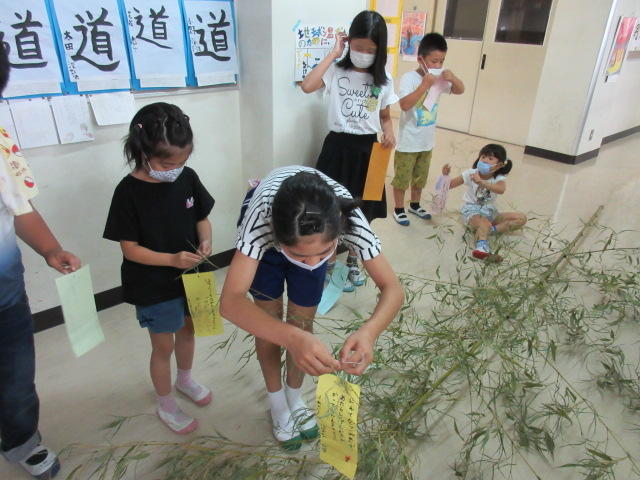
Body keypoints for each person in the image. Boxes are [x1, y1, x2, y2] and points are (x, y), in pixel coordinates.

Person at [219, 166, 403, 450]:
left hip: (309, 232)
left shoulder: (348, 217)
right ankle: (277, 403)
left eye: (325, 252)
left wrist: (369, 333)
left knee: (303, 324)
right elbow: (231, 302)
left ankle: (294, 397)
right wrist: (291, 338)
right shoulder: (260, 222)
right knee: (269, 324)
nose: (313, 264)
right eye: (300, 256)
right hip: (269, 246)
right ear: (277, 237)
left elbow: (393, 288)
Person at [103, 103, 214, 434]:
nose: (175, 169)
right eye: (168, 164)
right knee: (163, 346)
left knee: (189, 331)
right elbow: (130, 249)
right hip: (153, 283)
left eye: (182, 161)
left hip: (191, 276)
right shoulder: (128, 192)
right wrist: (171, 260)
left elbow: (202, 218)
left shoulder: (187, 178)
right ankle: (165, 404)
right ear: (143, 152)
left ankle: (185, 380)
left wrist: (206, 240)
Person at [0, 44, 80, 479]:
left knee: (15, 370)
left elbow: (18, 206)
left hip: (5, 288)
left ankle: (21, 440)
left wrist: (50, 248)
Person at [301, 10, 399, 292]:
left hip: (370, 151)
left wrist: (390, 131)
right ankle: (331, 265)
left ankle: (354, 261)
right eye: (358, 47)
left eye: (370, 50)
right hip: (337, 147)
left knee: (364, 211)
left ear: (380, 50)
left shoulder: (384, 79)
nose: (363, 54)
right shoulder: (337, 70)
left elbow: (384, 116)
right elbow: (307, 86)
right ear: (349, 42)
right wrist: (334, 53)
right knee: (330, 209)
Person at [391, 33, 464, 226]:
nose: (438, 65)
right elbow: (404, 105)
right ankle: (398, 209)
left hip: (426, 141)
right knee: (402, 178)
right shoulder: (409, 78)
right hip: (408, 142)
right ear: (420, 59)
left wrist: (453, 78)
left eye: (442, 61)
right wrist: (424, 85)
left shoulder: (440, 79)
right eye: (434, 61)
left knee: (420, 177)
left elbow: (460, 90)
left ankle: (415, 205)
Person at [443, 144, 527, 259]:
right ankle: (482, 249)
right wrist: (445, 176)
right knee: (484, 223)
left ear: (499, 165)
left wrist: (482, 183)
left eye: (490, 158)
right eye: (483, 157)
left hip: (490, 211)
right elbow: (449, 185)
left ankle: (489, 230)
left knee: (521, 218)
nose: (485, 160)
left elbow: (501, 189)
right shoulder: (470, 173)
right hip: (471, 211)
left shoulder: (498, 178)